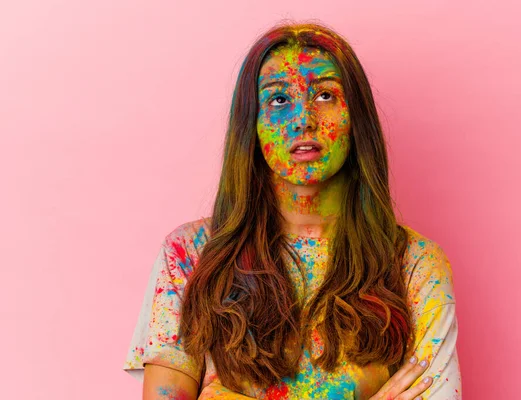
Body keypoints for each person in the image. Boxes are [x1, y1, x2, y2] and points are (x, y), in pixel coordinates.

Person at [123, 21, 462, 400]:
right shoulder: (191, 255)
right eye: (280, 100)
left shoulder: (414, 265)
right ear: (252, 124)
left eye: (325, 96)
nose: (304, 119)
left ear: (356, 119)